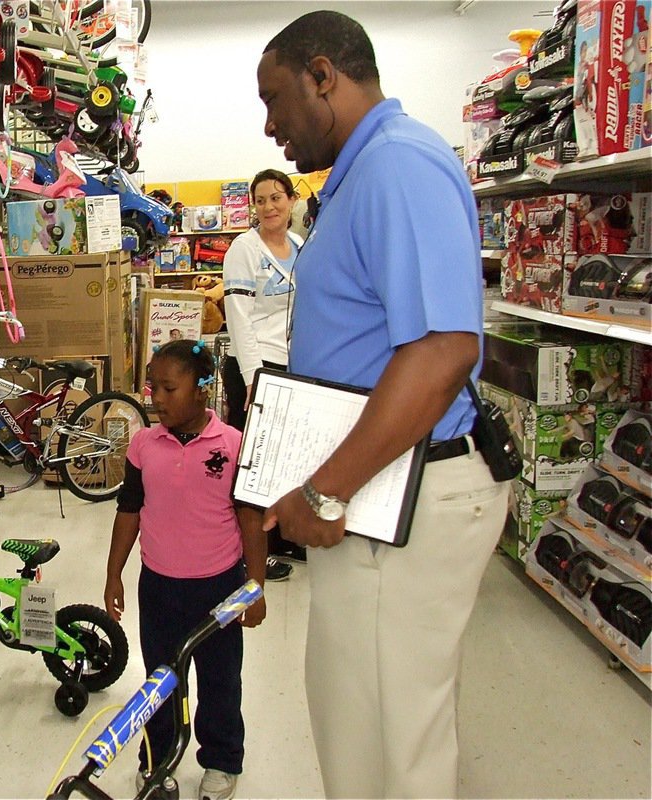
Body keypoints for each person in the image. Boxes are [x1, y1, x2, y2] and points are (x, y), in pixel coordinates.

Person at [255, 11, 508, 798]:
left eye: (276, 100)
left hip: (403, 494)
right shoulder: (360, 177)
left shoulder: (398, 166)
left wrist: (327, 487)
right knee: (361, 724)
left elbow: (441, 352)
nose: (270, 128)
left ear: (323, 75)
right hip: (374, 494)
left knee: (389, 748)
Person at [104, 339, 267, 800]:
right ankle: (157, 759)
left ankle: (221, 760)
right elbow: (129, 510)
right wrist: (114, 572)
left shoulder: (234, 445)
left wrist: (254, 587)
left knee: (220, 680)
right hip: (157, 586)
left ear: (202, 389)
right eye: (153, 387)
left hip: (219, 588)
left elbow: (251, 522)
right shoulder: (143, 445)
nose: (156, 399)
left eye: (168, 389)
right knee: (160, 680)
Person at [222, 168, 308, 574]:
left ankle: (283, 537)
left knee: (287, 460)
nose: (269, 207)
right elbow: (239, 318)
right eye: (261, 200)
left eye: (276, 197)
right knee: (254, 465)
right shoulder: (244, 248)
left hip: (293, 366)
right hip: (256, 370)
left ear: (291, 200)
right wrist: (254, 378)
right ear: (253, 207)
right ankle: (250, 552)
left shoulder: (298, 244)